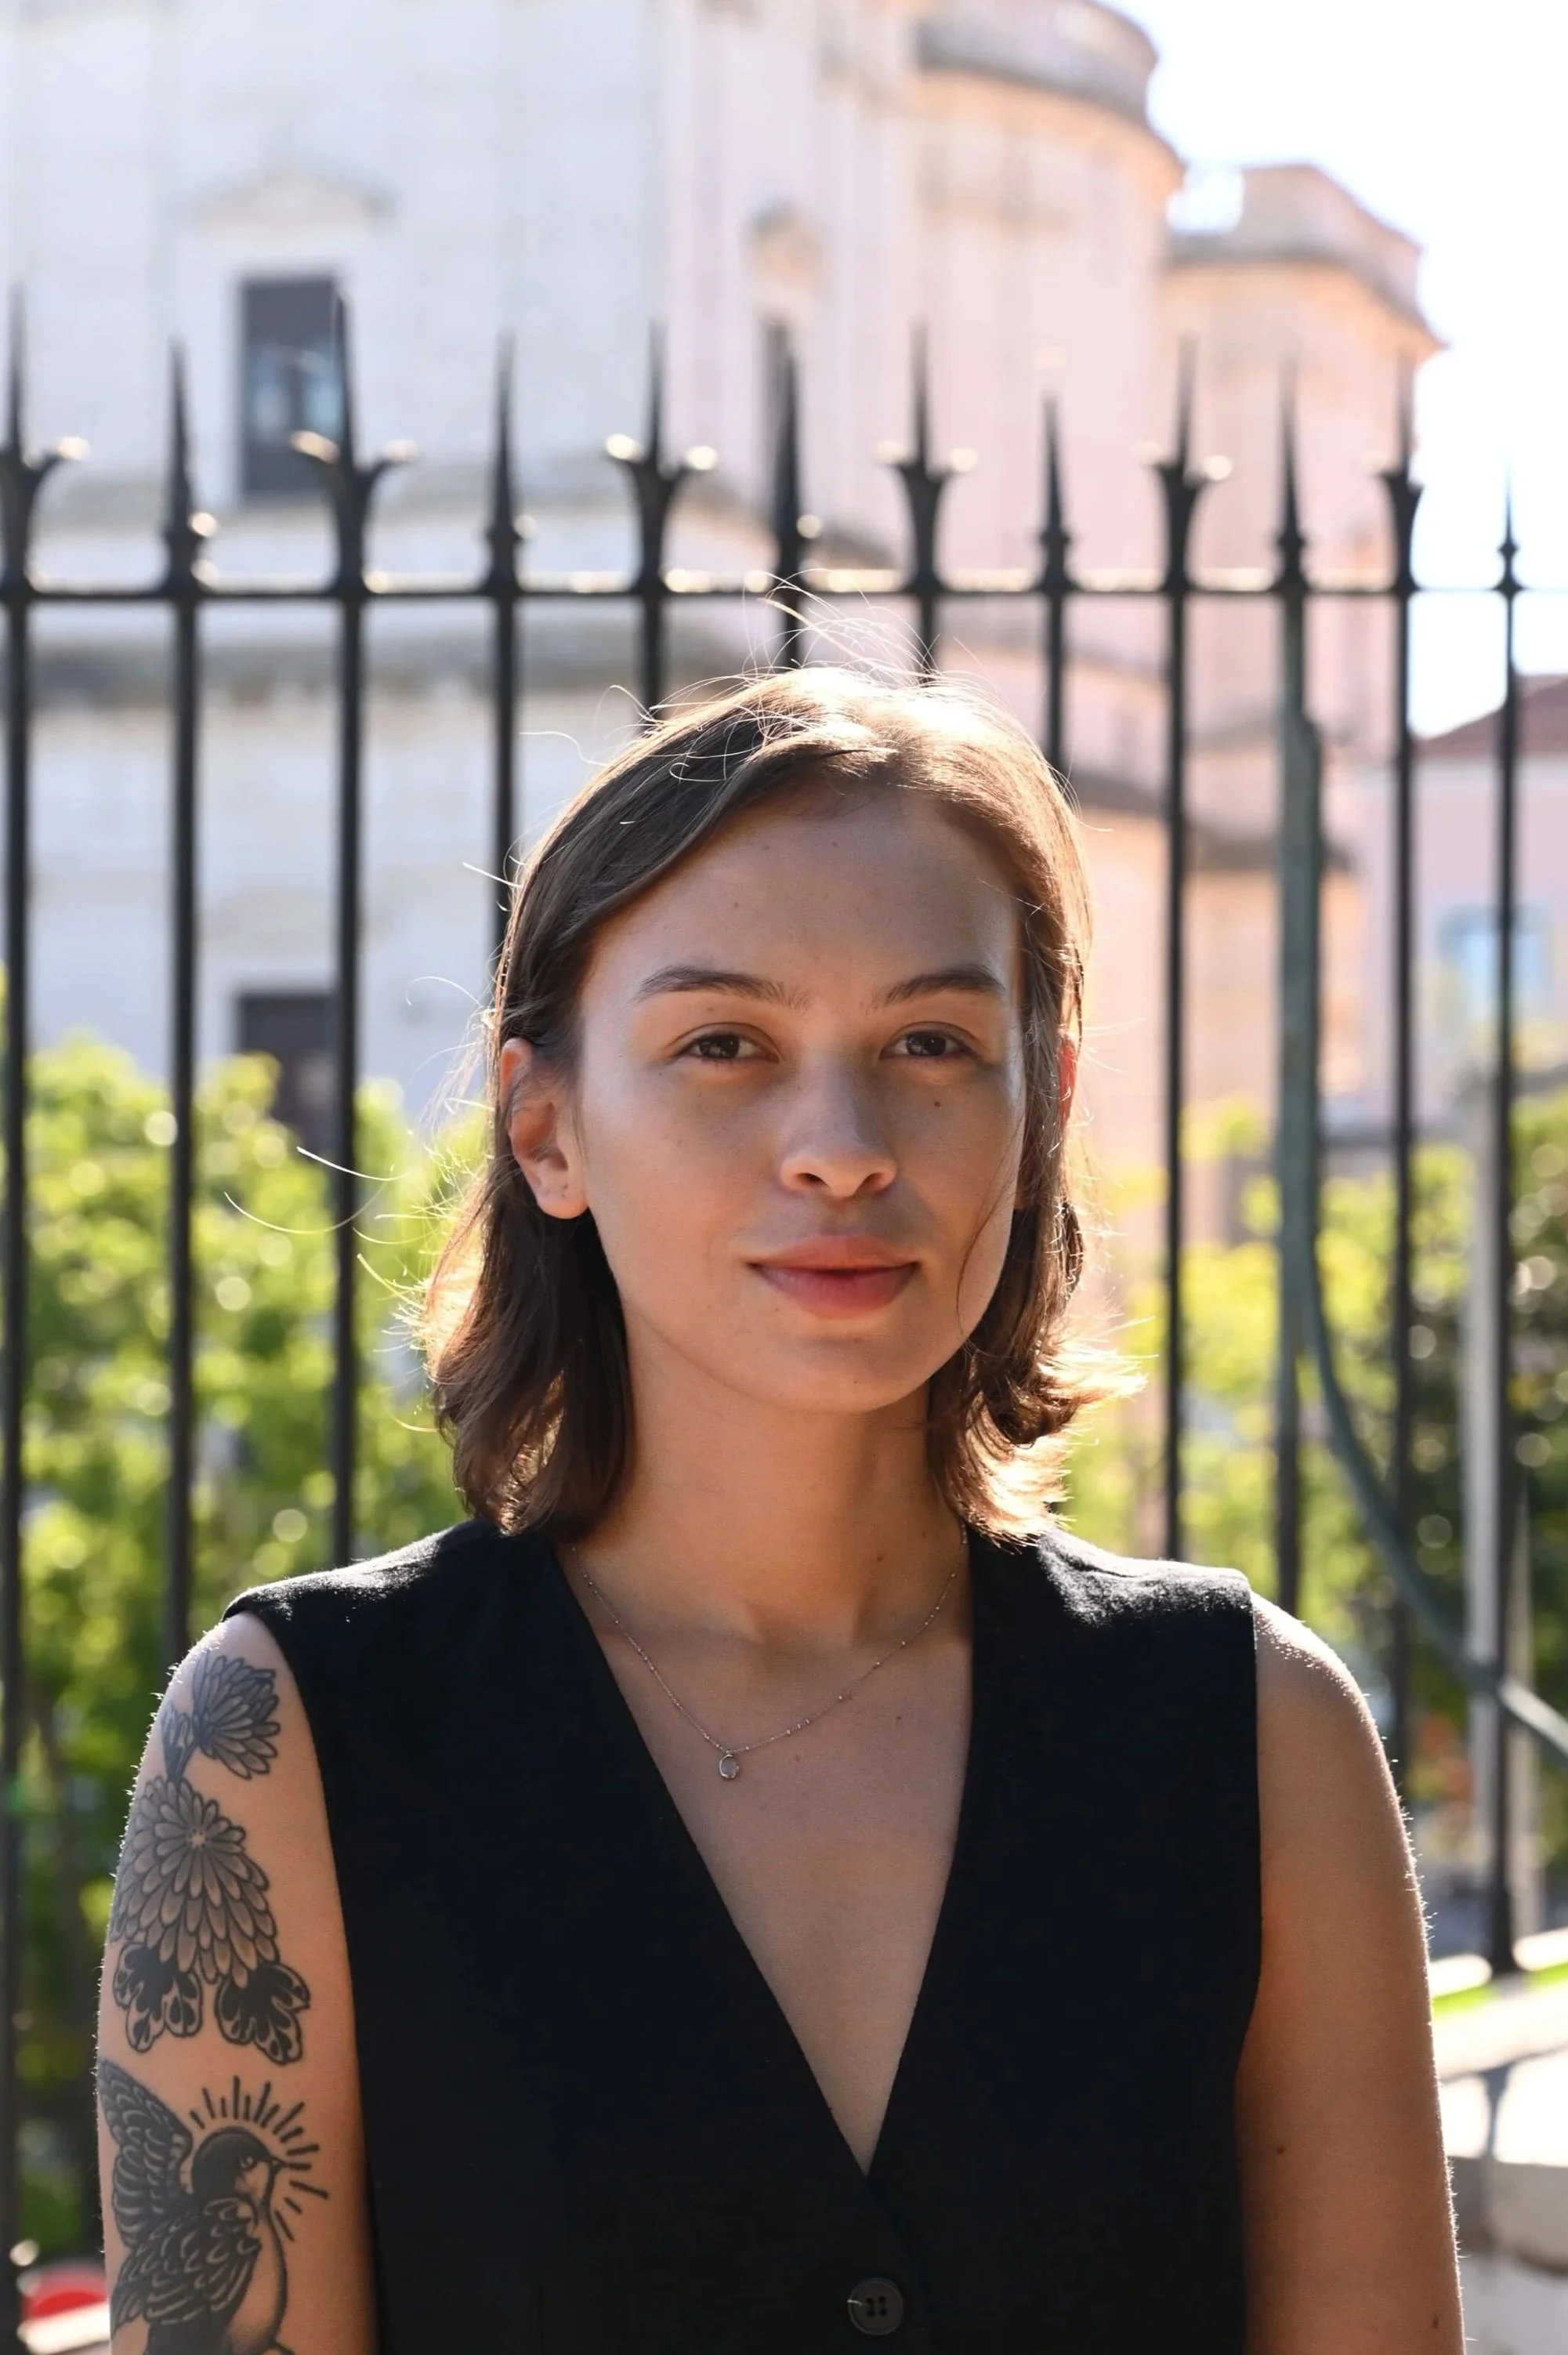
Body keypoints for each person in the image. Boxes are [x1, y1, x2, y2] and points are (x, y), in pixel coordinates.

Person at [96, 669, 1462, 2354]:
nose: (839, 1144)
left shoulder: (1253, 1730)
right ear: (546, 1127)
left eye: (931, 1043)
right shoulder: (296, 1736)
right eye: (724, 1043)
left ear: (1038, 1102)